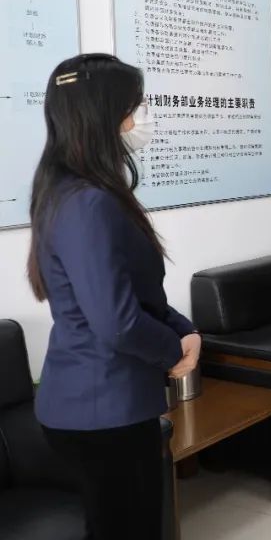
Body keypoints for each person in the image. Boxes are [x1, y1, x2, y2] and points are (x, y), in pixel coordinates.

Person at [27, 53, 200, 540]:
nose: (141, 117)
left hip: (98, 400)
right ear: (104, 115)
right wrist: (174, 351)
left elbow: (131, 293)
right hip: (102, 407)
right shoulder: (87, 202)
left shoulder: (71, 191)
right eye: (133, 107)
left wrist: (183, 329)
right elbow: (117, 321)